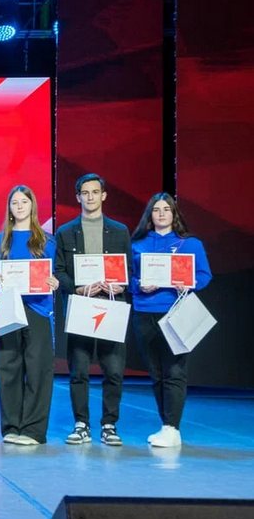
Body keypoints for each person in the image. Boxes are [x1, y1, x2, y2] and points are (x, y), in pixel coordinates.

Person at [54, 173, 132, 446]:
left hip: (111, 304)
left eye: (95, 192)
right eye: (85, 193)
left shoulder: (120, 231)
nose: (90, 197)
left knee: (114, 370)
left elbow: (129, 270)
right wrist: (77, 288)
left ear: (103, 195)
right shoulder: (65, 232)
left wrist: (122, 285)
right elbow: (59, 271)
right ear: (78, 197)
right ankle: (81, 424)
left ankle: (109, 425)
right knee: (79, 370)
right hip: (81, 305)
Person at [130, 192, 212, 447]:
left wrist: (189, 283)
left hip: (176, 312)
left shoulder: (190, 244)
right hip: (144, 312)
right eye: (157, 210)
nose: (162, 213)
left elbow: (204, 275)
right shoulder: (137, 244)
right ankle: (165, 425)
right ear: (150, 215)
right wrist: (139, 285)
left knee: (174, 371)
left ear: (174, 214)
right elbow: (127, 277)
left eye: (167, 209)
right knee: (156, 373)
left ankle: (172, 428)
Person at [0, 185, 59, 445]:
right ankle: (11, 427)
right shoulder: (0, 240)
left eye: (24, 202)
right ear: (9, 208)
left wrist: (54, 281)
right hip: (8, 310)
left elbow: (55, 274)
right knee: (8, 368)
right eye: (14, 202)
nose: (19, 206)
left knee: (38, 370)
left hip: (38, 310)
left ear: (32, 206)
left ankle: (33, 431)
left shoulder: (47, 241)